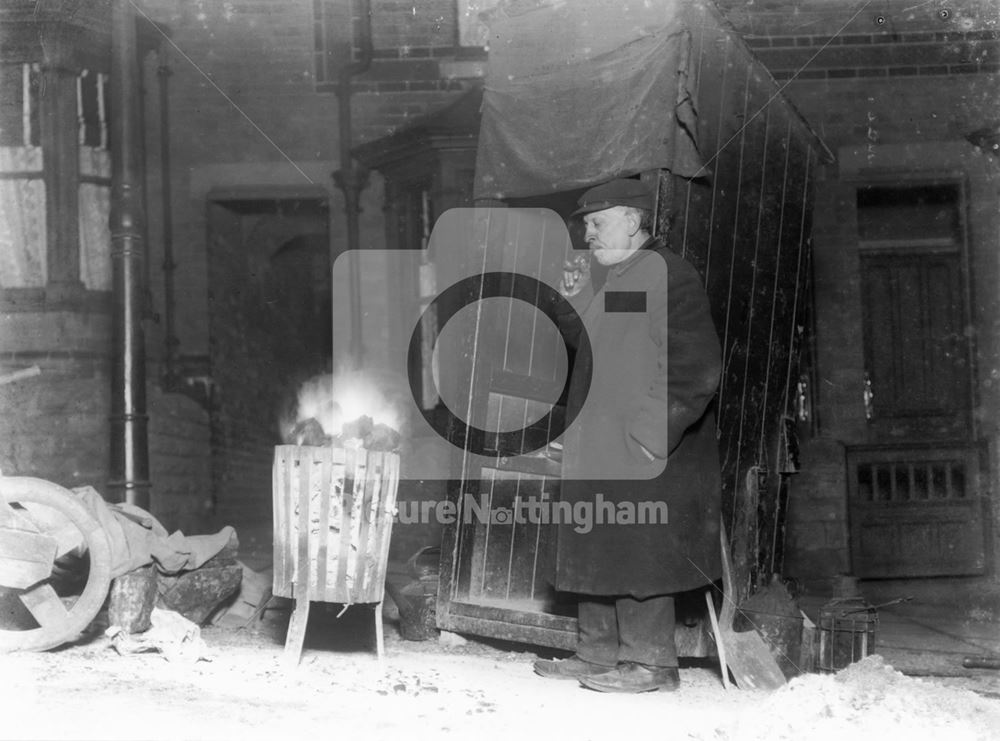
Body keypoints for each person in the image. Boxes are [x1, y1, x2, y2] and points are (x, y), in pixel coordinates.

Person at [533, 178, 723, 693]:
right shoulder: (625, 277)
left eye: (597, 222)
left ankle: (649, 664)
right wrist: (566, 302)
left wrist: (651, 434)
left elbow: (696, 367)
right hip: (600, 441)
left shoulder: (669, 276)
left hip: (642, 445)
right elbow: (598, 343)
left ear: (634, 221)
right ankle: (596, 653)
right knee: (599, 544)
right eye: (586, 224)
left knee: (638, 552)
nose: (587, 232)